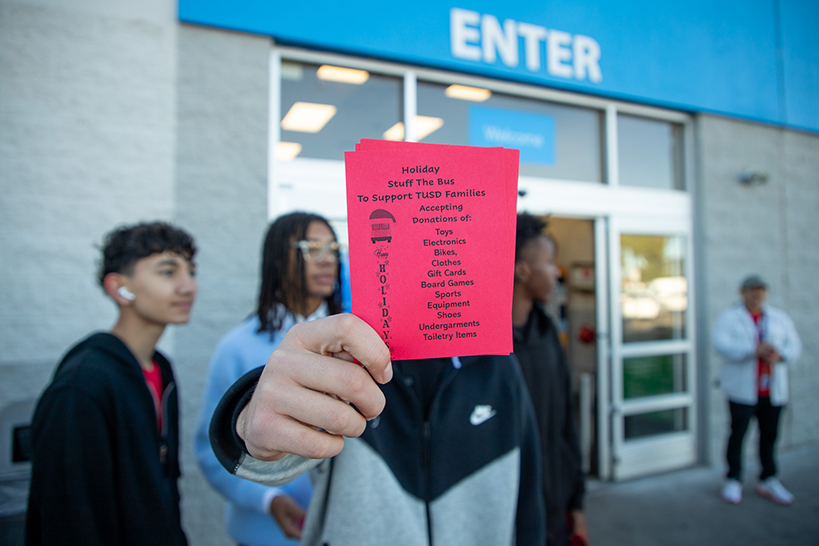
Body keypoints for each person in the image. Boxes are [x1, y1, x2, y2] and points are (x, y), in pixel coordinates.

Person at [208, 323, 546, 545]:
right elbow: (274, 454)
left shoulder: (499, 367)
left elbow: (528, 485)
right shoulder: (351, 360)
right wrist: (249, 425)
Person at [25, 221, 197, 546]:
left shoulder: (161, 370)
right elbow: (69, 520)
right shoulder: (81, 387)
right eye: (167, 272)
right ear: (120, 288)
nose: (188, 286)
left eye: (191, 271)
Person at [195, 212, 343, 545]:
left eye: (333, 248)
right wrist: (267, 500)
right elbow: (210, 449)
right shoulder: (236, 347)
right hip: (266, 534)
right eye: (312, 248)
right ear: (278, 257)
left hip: (342, 529)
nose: (327, 259)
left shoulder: (356, 341)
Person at [512, 214, 587, 546]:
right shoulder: (484, 353)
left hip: (555, 516)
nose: (557, 272)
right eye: (549, 262)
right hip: (507, 523)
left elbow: (566, 425)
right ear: (522, 270)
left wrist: (577, 502)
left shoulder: (548, 337)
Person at [713, 274, 802, 506]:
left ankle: (768, 478)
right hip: (742, 391)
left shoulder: (779, 318)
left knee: (769, 437)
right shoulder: (730, 318)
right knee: (738, 435)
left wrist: (779, 355)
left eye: (761, 290)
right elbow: (720, 344)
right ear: (742, 292)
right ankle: (733, 479)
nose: (757, 294)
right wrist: (753, 350)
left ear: (766, 293)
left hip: (772, 390)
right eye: (752, 290)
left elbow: (794, 346)